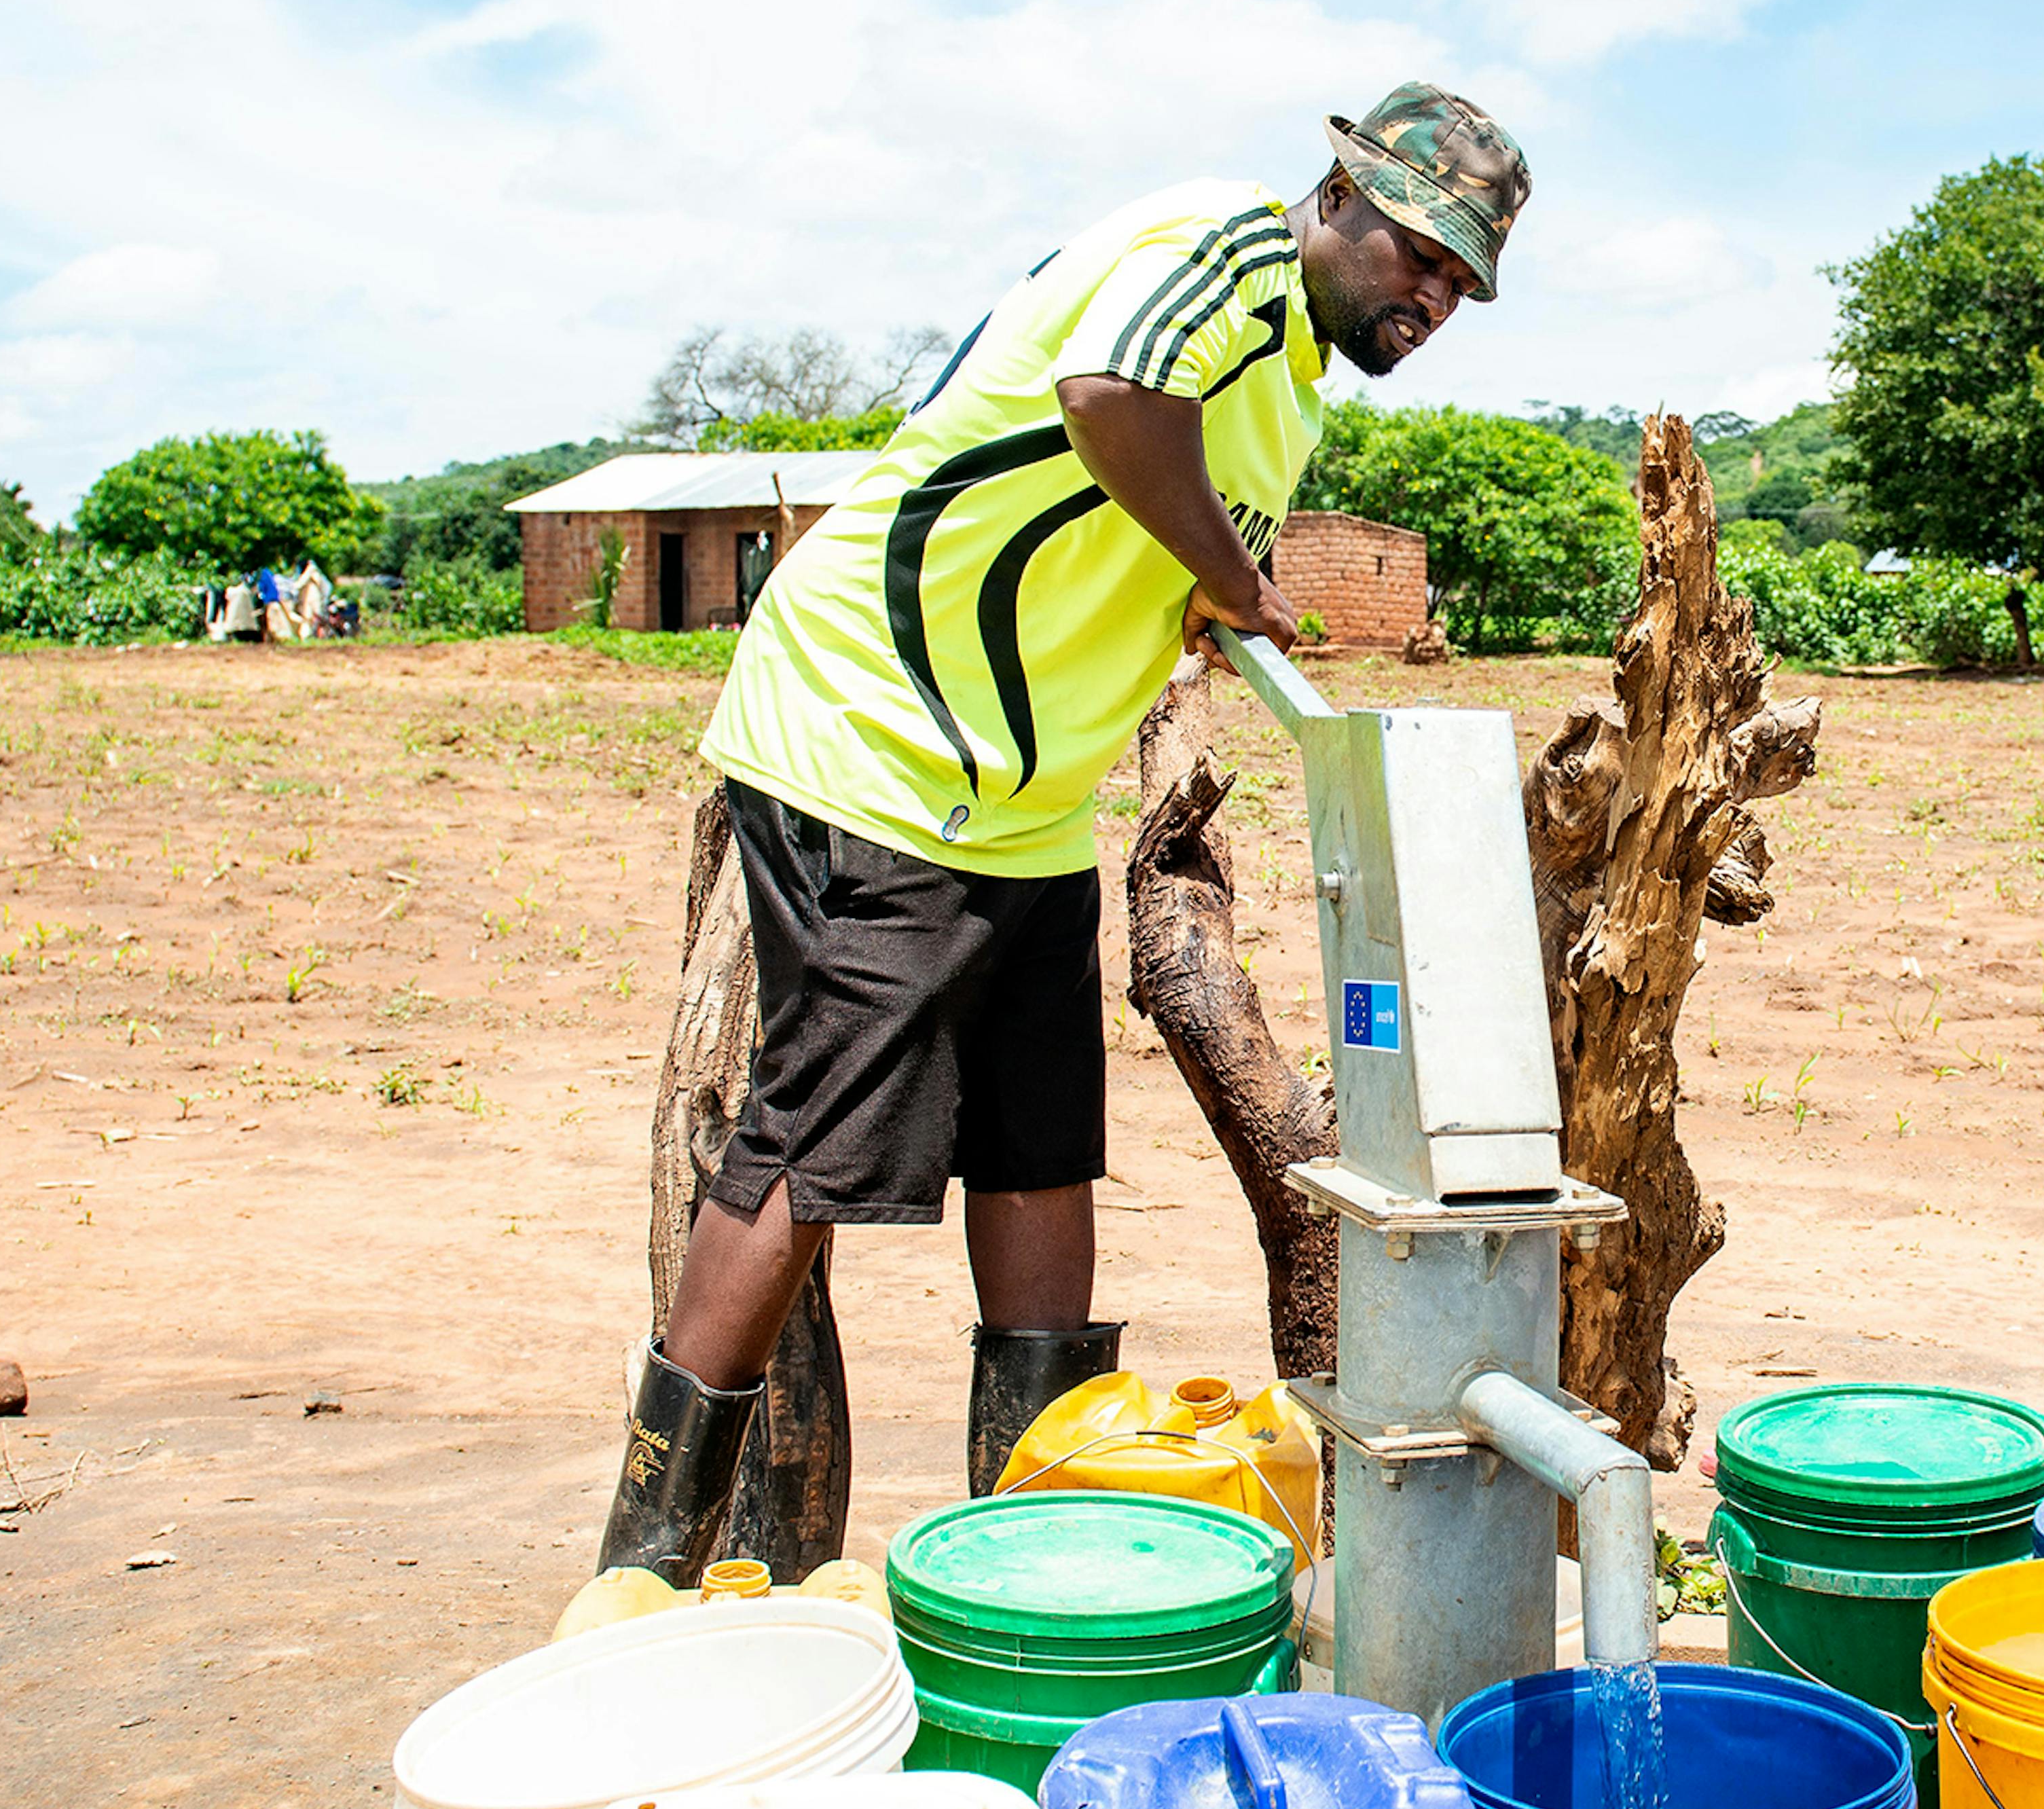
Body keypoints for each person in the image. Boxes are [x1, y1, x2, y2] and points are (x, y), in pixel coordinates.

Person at [591, 84, 1528, 1582]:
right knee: (808, 1138)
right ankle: (642, 1564)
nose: (1434, 295)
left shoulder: (1293, 372)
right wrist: (1228, 574)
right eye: (1418, 253)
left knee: (1040, 1150)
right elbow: (1110, 404)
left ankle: (1031, 1547)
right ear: (1338, 194)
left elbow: (1154, 529)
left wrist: (1208, 593)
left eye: (1462, 281)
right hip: (878, 740)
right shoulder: (1223, 249)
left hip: (1023, 796)